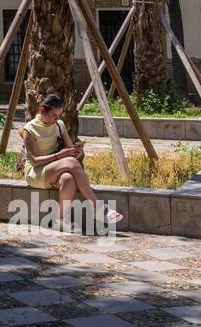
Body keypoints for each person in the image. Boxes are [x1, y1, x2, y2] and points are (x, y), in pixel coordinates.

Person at [20, 94, 123, 230]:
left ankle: (60, 220)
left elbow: (70, 150)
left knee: (68, 179)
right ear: (43, 111)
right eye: (54, 115)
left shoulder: (59, 124)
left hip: (54, 168)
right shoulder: (30, 129)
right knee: (71, 163)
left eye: (59, 115)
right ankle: (99, 207)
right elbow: (34, 161)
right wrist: (60, 155)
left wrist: (75, 151)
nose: (57, 119)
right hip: (35, 172)